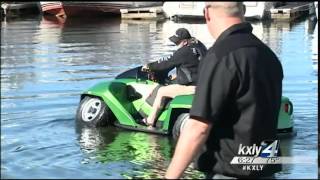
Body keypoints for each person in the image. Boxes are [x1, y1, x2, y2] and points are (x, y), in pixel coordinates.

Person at [165, 2, 283, 179]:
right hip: (265, 168)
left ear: (207, 13)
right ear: (243, 11)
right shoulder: (268, 55)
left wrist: (170, 177)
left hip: (229, 171)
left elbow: (198, 127)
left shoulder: (220, 57)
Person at [141, 28, 207, 128]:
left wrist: (149, 66)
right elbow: (192, 66)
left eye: (177, 42)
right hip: (204, 84)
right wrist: (177, 75)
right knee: (172, 80)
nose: (175, 44)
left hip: (193, 87)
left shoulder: (183, 52)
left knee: (162, 91)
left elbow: (166, 63)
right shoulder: (199, 46)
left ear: (185, 42)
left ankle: (150, 121)